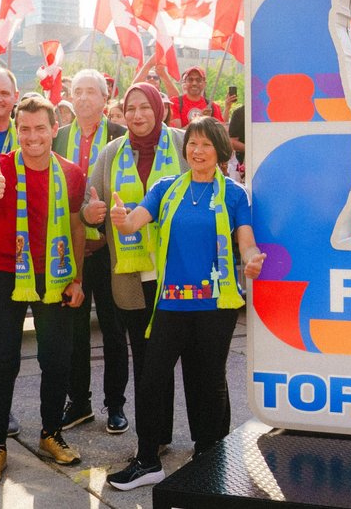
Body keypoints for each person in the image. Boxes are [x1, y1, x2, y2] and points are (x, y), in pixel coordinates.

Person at [105, 116, 265, 491]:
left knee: (207, 383)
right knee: (152, 380)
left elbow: (246, 242)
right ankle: (147, 460)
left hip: (216, 306)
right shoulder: (166, 189)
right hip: (171, 306)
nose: (197, 150)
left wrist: (253, 258)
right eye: (192, 143)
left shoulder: (234, 194)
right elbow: (132, 225)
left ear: (220, 151)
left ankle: (209, 456)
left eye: (206, 144)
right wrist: (120, 219)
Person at [0, 96, 87, 485]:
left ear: (55, 129)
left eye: (40, 128)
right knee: (2, 362)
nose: (32, 136)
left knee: (56, 359)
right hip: (5, 274)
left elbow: (77, 227)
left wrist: (78, 279)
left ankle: (51, 433)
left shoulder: (71, 173)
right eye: (25, 129)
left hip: (54, 274)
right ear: (16, 131)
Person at [81, 83, 185, 459]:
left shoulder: (183, 143)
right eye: (131, 109)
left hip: (179, 273)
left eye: (145, 107)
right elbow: (89, 204)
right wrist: (90, 214)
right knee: (144, 358)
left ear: (159, 108)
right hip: (131, 274)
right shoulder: (112, 153)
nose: (138, 115)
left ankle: (186, 436)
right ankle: (152, 437)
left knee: (180, 358)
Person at [54, 69, 130, 436]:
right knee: (74, 329)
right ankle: (78, 402)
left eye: (91, 92)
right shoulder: (59, 135)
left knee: (114, 329)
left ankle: (115, 404)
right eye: (77, 91)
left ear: (105, 99)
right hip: (71, 249)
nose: (83, 98)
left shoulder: (120, 136)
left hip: (111, 248)